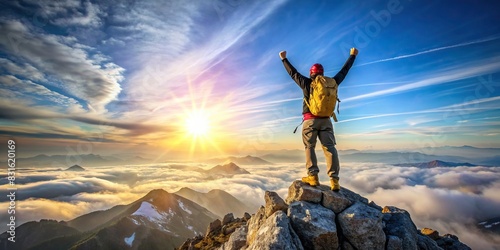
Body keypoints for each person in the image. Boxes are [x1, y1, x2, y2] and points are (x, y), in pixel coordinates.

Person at [279, 48, 358, 191]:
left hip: (310, 121)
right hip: (326, 120)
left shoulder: (307, 83)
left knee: (310, 147)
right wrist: (352, 56)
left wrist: (284, 59)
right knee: (330, 148)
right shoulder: (332, 82)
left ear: (311, 73)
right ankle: (334, 181)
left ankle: (313, 177)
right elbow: (344, 71)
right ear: (322, 73)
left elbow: (293, 73)